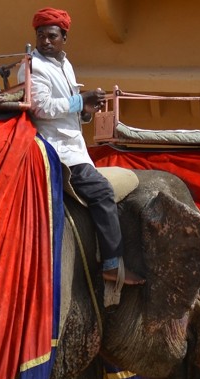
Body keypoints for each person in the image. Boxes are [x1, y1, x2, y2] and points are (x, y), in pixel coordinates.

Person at [19, 7, 144, 286]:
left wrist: (85, 110)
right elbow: (40, 107)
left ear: (64, 37)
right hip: (56, 151)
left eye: (52, 36)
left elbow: (68, 108)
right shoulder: (32, 66)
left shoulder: (64, 64)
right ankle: (113, 265)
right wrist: (79, 101)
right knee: (102, 192)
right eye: (41, 36)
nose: (46, 41)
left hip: (74, 148)